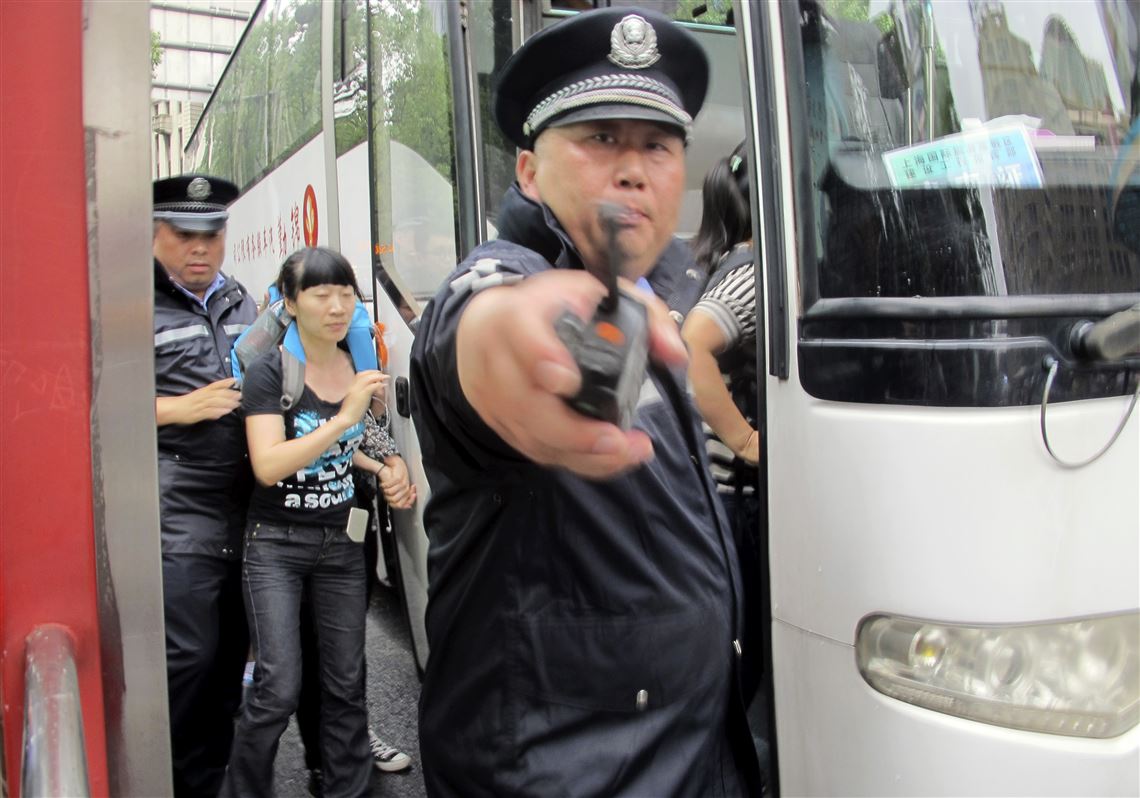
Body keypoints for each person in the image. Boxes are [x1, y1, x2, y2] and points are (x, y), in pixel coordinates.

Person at [410, 8, 761, 796]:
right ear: (530, 174)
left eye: (658, 145)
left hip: (689, 755)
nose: (634, 169)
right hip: (558, 771)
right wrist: (504, 338)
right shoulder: (511, 277)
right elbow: (481, 328)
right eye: (600, 138)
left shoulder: (666, 290)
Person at [220, 247, 387, 798]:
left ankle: (348, 789)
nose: (338, 307)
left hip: (341, 543)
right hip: (276, 545)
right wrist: (343, 417)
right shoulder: (272, 372)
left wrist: (389, 466)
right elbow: (268, 465)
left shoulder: (357, 369)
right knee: (277, 687)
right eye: (321, 294)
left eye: (346, 293)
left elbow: (355, 447)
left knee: (346, 685)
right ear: (290, 303)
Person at [152, 174, 258, 798]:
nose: (200, 248)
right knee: (186, 658)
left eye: (212, 235)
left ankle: (205, 781)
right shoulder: (132, 304)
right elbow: (85, 405)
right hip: (177, 504)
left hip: (247, 504)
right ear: (156, 233)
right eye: (184, 235)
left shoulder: (244, 302)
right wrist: (175, 409)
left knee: (228, 663)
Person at [681, 142, 766, 709]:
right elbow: (694, 347)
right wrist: (746, 439)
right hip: (733, 496)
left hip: (719, 493)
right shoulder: (755, 270)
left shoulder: (723, 260)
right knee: (744, 651)